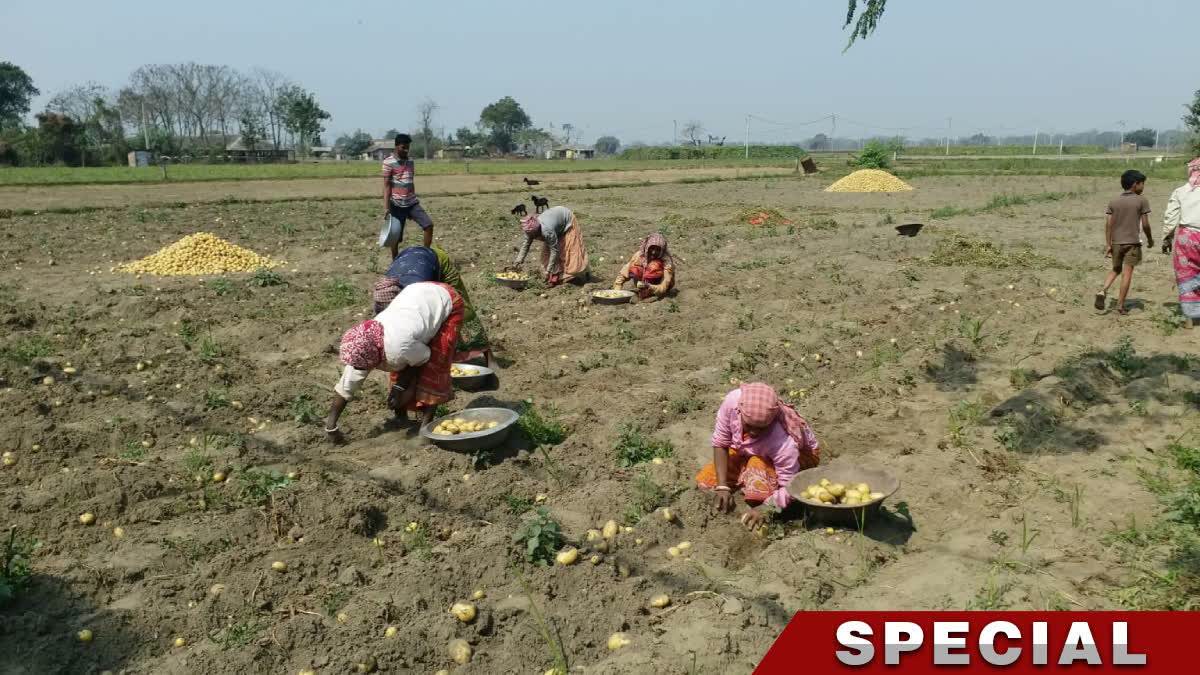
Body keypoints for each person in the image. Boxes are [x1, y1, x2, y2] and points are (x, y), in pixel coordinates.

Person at [325, 281, 464, 442]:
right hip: (415, 296)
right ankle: (401, 417)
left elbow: (425, 357)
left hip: (444, 299)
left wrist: (401, 387)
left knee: (436, 365)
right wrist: (331, 427)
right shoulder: (366, 343)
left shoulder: (398, 346)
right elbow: (346, 387)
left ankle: (426, 429)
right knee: (399, 367)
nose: (358, 368)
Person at [696, 383, 820, 530]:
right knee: (708, 479)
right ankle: (745, 473)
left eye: (761, 428)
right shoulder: (732, 403)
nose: (754, 432)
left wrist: (765, 508)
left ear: (772, 420)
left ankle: (759, 502)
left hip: (803, 457)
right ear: (740, 412)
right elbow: (721, 442)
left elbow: (790, 485)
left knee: (757, 470)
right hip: (745, 449)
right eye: (749, 426)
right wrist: (722, 486)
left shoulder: (783, 440)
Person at [373, 245, 491, 364]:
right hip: (409, 258)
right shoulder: (384, 297)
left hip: (437, 261)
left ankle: (486, 354)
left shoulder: (417, 292)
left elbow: (431, 318)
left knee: (462, 308)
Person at [1095, 169, 1153, 315]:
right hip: (1132, 243)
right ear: (1135, 184)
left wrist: (1108, 244)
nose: (1143, 187)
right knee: (1127, 273)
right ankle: (1120, 306)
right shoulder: (1141, 200)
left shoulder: (1114, 201)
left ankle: (1103, 290)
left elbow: (1108, 224)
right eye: (1142, 184)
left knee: (1116, 269)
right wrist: (1150, 239)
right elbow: (1145, 224)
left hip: (1116, 242)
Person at [381, 133, 434, 260]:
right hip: (397, 204)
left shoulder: (410, 161)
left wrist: (413, 197)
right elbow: (387, 186)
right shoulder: (388, 162)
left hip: (412, 203)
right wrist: (386, 207)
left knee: (428, 225)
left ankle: (426, 256)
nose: (406, 150)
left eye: (408, 148)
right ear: (396, 146)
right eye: (403, 147)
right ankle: (395, 261)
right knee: (395, 237)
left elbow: (411, 181)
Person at [1163, 158, 1200, 326]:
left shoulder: (1180, 191)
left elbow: (1171, 218)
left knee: (1187, 275)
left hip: (1187, 239)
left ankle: (1189, 320)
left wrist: (1167, 238)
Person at [512, 205, 590, 286]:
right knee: (546, 254)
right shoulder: (528, 229)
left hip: (567, 219)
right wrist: (517, 262)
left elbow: (554, 251)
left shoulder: (547, 231)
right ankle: (555, 275)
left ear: (538, 231)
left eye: (534, 235)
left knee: (569, 251)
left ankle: (575, 274)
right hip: (555, 224)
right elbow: (525, 245)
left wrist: (548, 270)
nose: (533, 238)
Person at [612, 232, 676, 301]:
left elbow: (665, 284)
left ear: (662, 250)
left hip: (658, 286)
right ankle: (642, 291)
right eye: (652, 248)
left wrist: (651, 287)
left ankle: (650, 294)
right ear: (647, 246)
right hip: (642, 283)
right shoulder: (639, 255)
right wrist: (617, 290)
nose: (654, 252)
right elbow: (624, 272)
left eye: (658, 250)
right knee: (635, 268)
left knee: (654, 266)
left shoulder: (666, 261)